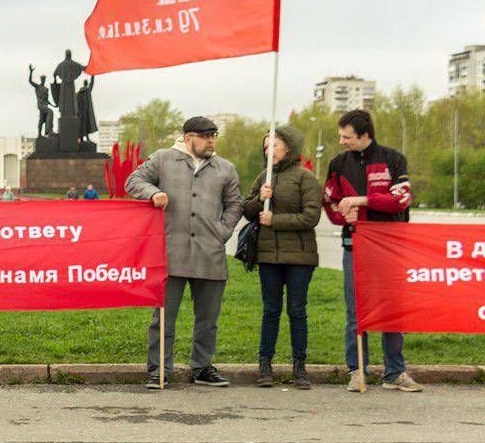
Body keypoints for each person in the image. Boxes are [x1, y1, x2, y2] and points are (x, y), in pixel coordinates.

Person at [126, 116, 242, 389]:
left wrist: (221, 232)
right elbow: (134, 181)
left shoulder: (225, 168)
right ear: (189, 138)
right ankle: (159, 370)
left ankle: (202, 367)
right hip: (169, 252)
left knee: (208, 318)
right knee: (163, 318)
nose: (211, 141)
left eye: (214, 136)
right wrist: (153, 192)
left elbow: (235, 204)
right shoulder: (164, 159)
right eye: (206, 136)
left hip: (210, 252)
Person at [323, 109, 422, 393]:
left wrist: (362, 200)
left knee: (392, 308)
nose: (342, 141)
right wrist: (345, 216)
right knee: (356, 311)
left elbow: (400, 200)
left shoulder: (393, 159)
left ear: (365, 135)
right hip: (353, 245)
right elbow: (330, 202)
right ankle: (357, 370)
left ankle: (395, 372)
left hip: (390, 246)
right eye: (340, 136)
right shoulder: (338, 163)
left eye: (347, 137)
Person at [241, 126, 321, 389]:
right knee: (270, 311)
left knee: (297, 310)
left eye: (273, 145)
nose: (268, 150)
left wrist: (275, 220)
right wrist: (259, 199)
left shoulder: (305, 178)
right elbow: (248, 211)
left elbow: (311, 217)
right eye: (265, 146)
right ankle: (265, 365)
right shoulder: (263, 177)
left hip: (299, 256)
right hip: (268, 256)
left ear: (289, 147)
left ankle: (300, 367)